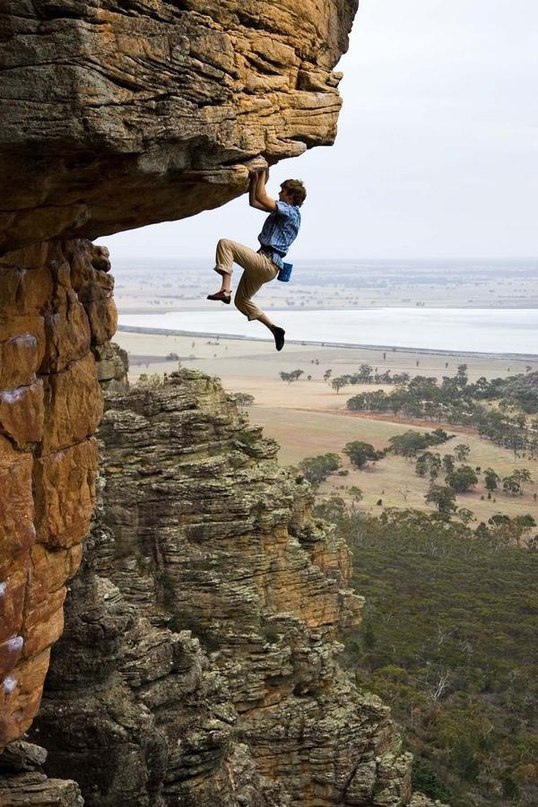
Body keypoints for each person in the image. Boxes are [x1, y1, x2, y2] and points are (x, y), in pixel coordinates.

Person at [207, 168, 306, 351]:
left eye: (282, 191)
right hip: (266, 265)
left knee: (225, 244)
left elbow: (261, 195)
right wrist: (255, 177)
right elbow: (254, 201)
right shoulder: (283, 212)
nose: (279, 193)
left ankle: (225, 290)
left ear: (291, 196)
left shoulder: (290, 212)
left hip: (266, 263)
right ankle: (275, 330)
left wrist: (262, 170)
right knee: (242, 301)